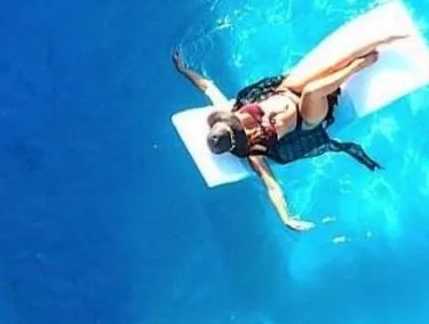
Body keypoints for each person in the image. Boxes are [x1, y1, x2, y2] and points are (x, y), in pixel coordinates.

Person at [172, 23, 404, 231]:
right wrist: (286, 217)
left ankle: (383, 39)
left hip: (287, 90)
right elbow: (271, 186)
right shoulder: (255, 153)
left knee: (328, 66)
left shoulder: (229, 112)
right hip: (308, 115)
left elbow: (207, 87)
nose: (239, 120)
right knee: (313, 90)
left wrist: (184, 70)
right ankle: (359, 65)